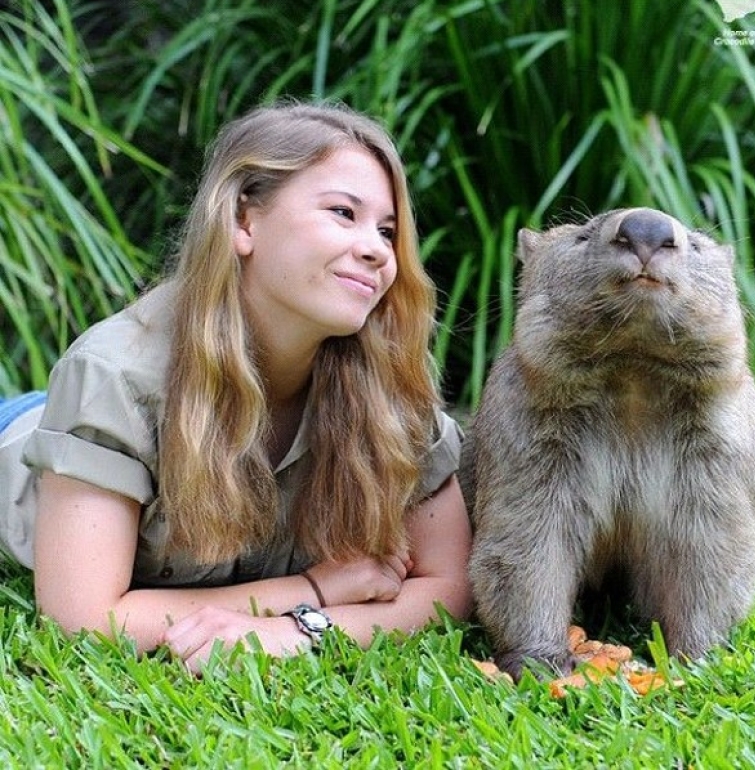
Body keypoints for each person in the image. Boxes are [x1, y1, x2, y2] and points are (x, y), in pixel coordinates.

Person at [0, 100, 472, 672]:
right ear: (243, 222)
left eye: (388, 230)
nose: (377, 248)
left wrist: (300, 635)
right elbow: (84, 618)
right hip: (22, 438)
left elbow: (448, 586)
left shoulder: (389, 375)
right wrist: (311, 592)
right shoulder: (113, 375)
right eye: (343, 213)